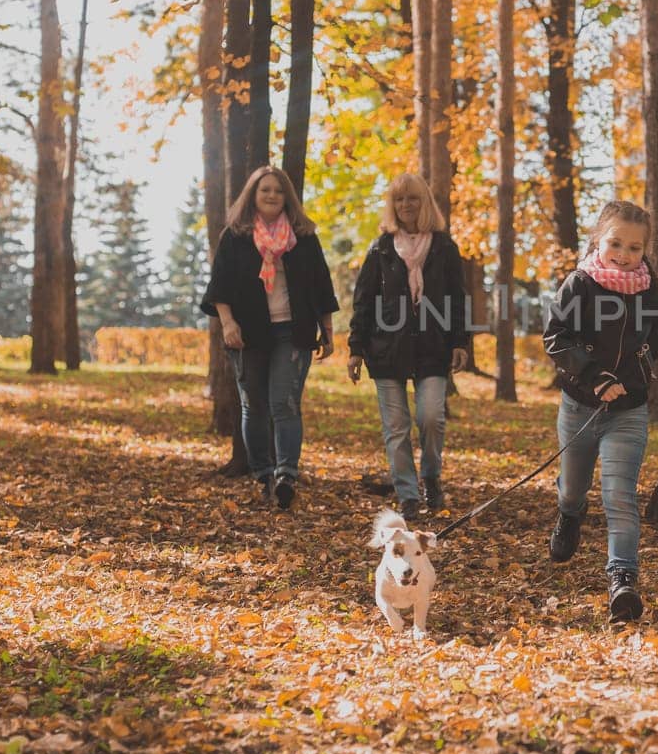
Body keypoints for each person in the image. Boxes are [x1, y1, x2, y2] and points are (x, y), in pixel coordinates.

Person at [543, 200, 658, 623]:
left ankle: (623, 579)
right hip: (580, 405)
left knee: (619, 495)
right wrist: (595, 375)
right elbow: (556, 337)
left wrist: (633, 379)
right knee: (573, 489)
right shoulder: (579, 284)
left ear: (645, 249)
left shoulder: (651, 290)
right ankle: (569, 515)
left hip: (628, 410)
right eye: (616, 243)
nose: (624, 254)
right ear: (599, 239)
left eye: (635, 247)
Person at [201, 166, 338, 510]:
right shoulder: (235, 236)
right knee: (254, 405)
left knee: (284, 403)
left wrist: (329, 331)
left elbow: (322, 286)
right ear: (253, 195)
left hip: (294, 331)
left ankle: (286, 475)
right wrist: (228, 323)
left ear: (287, 196)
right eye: (265, 190)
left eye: (278, 190)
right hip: (248, 334)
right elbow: (220, 286)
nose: (272, 195)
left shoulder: (303, 236)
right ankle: (263, 474)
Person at [347, 173, 470, 523]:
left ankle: (431, 476)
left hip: (433, 347)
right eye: (399, 200)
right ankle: (408, 495)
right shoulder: (381, 248)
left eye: (412, 198)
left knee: (431, 416)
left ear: (424, 202)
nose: (406, 206)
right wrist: (356, 348)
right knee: (397, 426)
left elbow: (457, 299)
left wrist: (461, 341)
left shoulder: (444, 247)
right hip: (386, 349)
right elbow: (363, 302)